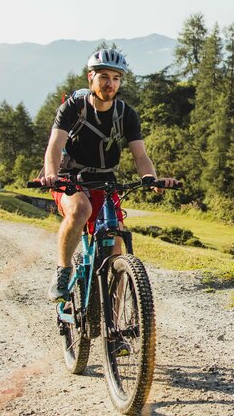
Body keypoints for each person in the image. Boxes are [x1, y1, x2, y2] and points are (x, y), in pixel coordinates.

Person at [40, 48, 177, 301]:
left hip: (105, 180)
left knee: (115, 245)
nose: (110, 83)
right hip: (69, 177)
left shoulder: (126, 114)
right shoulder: (73, 108)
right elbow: (55, 146)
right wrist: (50, 174)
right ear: (90, 77)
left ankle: (113, 327)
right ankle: (63, 270)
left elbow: (140, 156)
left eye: (116, 78)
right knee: (80, 210)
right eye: (104, 76)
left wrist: (150, 178)